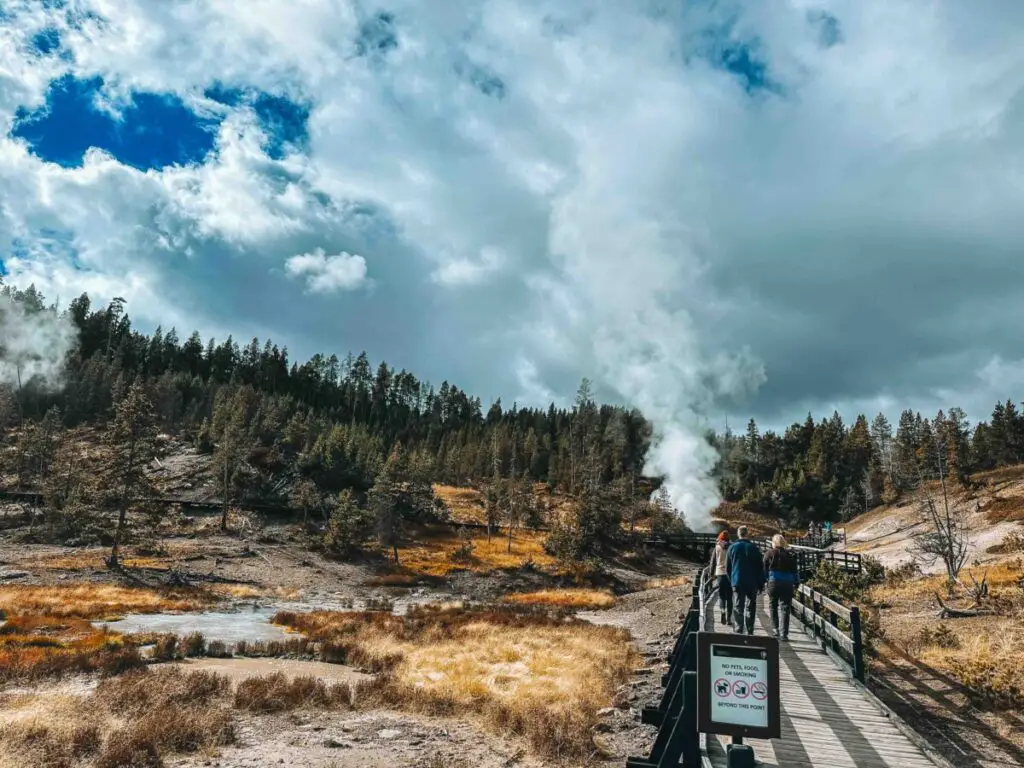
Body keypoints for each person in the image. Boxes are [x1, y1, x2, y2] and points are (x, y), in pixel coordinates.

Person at [726, 525, 764, 635]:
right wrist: (761, 584)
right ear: (747, 534)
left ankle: (739, 628)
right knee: (751, 606)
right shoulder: (754, 548)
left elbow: (728, 567)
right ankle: (750, 628)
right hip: (752, 582)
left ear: (738, 534)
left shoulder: (732, 547)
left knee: (738, 605)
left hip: (737, 580)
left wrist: (732, 580)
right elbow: (760, 568)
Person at [763, 533, 799, 640]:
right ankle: (784, 633)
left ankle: (775, 629)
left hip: (773, 583)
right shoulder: (790, 555)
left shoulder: (769, 554)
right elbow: (795, 572)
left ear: (773, 543)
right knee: (785, 608)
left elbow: (764, 570)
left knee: (773, 606)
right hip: (787, 584)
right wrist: (796, 583)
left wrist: (764, 581)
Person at [709, 531, 733, 625]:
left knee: (722, 596)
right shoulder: (732, 547)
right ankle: (729, 618)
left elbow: (713, 562)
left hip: (720, 573)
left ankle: (722, 611)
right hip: (730, 574)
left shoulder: (717, 547)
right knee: (730, 597)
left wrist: (711, 574)